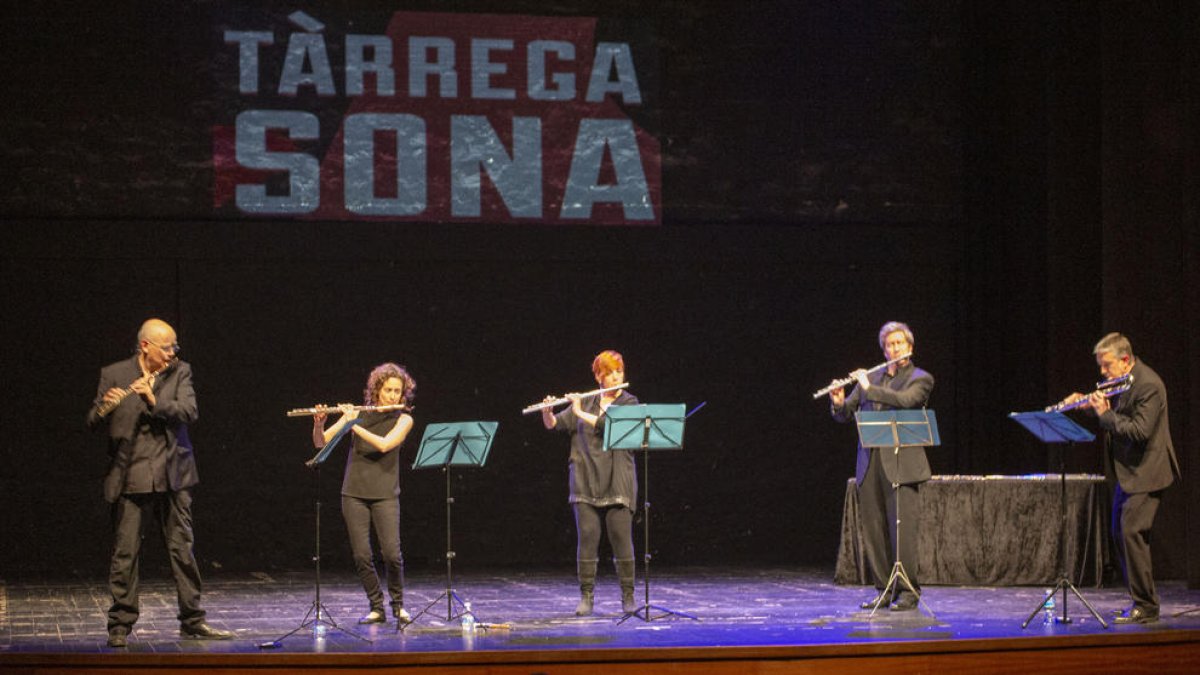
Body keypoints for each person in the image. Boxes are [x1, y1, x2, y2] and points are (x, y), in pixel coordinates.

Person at [86, 318, 234, 648]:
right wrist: (105, 407)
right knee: (125, 553)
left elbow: (189, 412)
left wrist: (154, 400)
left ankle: (192, 619)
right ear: (145, 346)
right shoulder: (115, 373)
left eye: (174, 347)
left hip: (173, 474)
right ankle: (120, 623)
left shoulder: (179, 372)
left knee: (182, 549)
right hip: (131, 476)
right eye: (166, 348)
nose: (172, 353)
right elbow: (92, 420)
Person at [1065, 333, 1179, 624]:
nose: (1103, 372)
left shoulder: (1149, 384)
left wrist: (1104, 413)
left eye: (1107, 365)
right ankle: (1139, 601)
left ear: (1125, 360)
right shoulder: (1123, 381)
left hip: (1148, 472)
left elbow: (1139, 431)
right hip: (1129, 473)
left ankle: (1147, 606)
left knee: (1131, 534)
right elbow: (1117, 415)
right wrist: (1087, 405)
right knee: (1119, 533)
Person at [828, 321, 934, 612]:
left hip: (902, 464)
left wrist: (868, 388)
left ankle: (908, 591)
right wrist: (838, 402)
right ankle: (884, 589)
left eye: (899, 343)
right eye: (889, 345)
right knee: (874, 531)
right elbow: (846, 414)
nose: (894, 348)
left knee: (903, 531)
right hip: (869, 463)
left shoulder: (921, 378)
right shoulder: (873, 377)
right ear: (884, 350)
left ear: (909, 347)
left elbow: (906, 401)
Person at [313, 363, 416, 627]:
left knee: (392, 554)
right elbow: (320, 442)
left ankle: (398, 606)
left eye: (397, 391)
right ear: (377, 390)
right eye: (388, 390)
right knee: (361, 555)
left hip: (386, 494)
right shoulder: (359, 413)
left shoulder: (404, 419)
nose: (393, 395)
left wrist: (352, 424)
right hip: (354, 494)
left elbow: (384, 445)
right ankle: (376, 607)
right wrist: (320, 423)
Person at [541, 350, 639, 616]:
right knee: (587, 539)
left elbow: (608, 425)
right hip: (585, 478)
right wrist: (548, 413)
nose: (615, 377)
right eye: (609, 373)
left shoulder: (630, 403)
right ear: (598, 377)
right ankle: (586, 597)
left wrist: (578, 411)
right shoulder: (587, 401)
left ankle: (628, 597)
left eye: (619, 371)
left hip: (618, 479)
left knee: (621, 540)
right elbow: (554, 424)